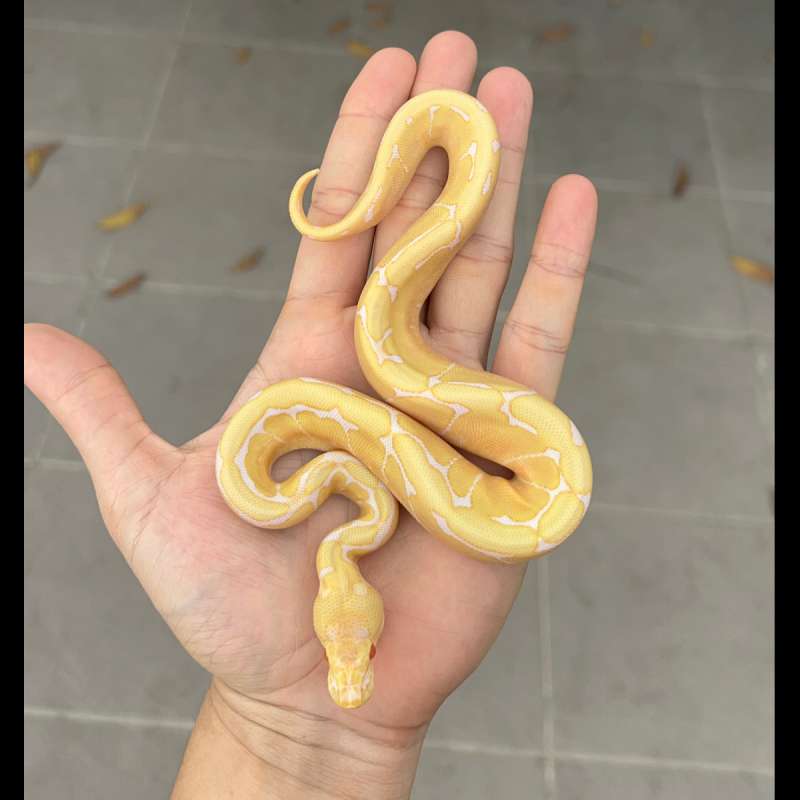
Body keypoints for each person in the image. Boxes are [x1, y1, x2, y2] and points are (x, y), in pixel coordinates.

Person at [24, 31, 597, 800]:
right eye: (352, 654)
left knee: (397, 346)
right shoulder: (339, 507)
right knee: (399, 348)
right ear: (358, 612)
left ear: (341, 610)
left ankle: (439, 152)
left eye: (340, 655)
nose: (346, 672)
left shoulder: (299, 496)